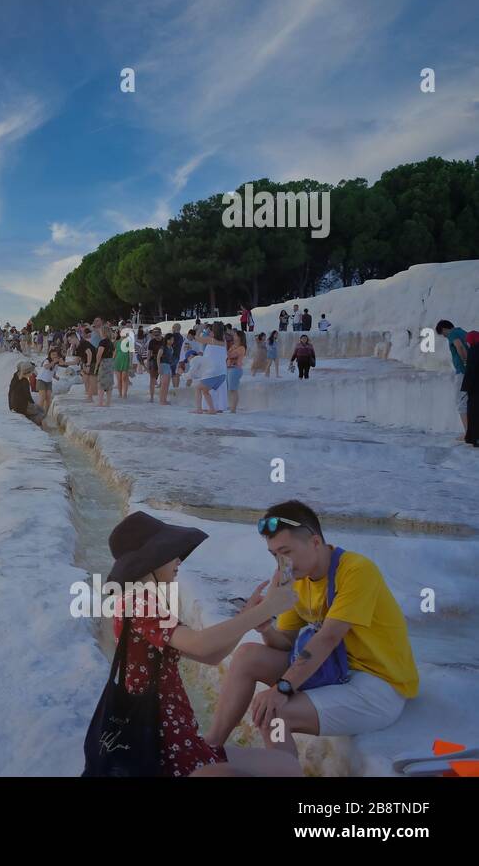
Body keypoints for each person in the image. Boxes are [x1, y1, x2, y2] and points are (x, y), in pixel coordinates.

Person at [202, 501, 419, 770]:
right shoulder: (294, 577)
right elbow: (286, 643)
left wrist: (282, 687)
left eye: (287, 552)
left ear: (315, 542)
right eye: (275, 555)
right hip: (334, 670)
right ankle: (209, 749)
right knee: (247, 655)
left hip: (377, 686)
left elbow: (327, 638)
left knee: (275, 714)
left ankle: (284, 772)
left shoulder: (356, 570)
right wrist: (264, 627)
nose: (282, 563)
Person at [85, 511, 297, 777]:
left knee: (287, 767)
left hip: (175, 739)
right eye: (171, 553)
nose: (178, 560)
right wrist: (268, 607)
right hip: (164, 749)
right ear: (150, 559)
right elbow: (201, 645)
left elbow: (210, 656)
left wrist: (248, 617)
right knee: (285, 769)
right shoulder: (139, 604)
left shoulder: (139, 602)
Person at [436, 320, 470, 440]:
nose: (445, 337)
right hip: (472, 372)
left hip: (463, 372)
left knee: (461, 401)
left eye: (443, 334)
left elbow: (459, 346)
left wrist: (465, 363)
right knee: (471, 401)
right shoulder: (463, 332)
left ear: (444, 329)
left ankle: (468, 433)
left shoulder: (453, 334)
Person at [193, 323, 228, 414]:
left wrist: (201, 329)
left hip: (212, 372)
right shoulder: (224, 342)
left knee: (198, 388)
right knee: (205, 391)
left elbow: (196, 338)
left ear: (214, 331)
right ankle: (212, 409)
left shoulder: (211, 340)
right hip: (222, 373)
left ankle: (199, 409)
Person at [8, 360, 46, 426]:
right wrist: (34, 405)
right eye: (31, 373)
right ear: (26, 372)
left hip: (14, 405)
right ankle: (36, 425)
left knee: (37, 409)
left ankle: (32, 420)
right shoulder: (25, 381)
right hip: (22, 407)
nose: (31, 374)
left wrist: (11, 406)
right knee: (41, 411)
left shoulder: (15, 377)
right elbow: (28, 396)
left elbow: (10, 392)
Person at [225, 329, 247, 413]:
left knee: (233, 390)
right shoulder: (233, 346)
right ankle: (231, 407)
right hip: (229, 369)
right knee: (230, 390)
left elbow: (230, 355)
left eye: (235, 335)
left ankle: (233, 409)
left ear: (239, 337)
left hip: (235, 369)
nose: (233, 336)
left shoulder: (241, 348)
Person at [464, 331, 479, 447]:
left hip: (475, 388)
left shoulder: (473, 351)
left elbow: (471, 371)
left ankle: (474, 438)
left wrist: (466, 387)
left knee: (474, 413)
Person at [95, 326, 115, 407]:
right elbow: (114, 352)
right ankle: (108, 402)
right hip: (110, 362)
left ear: (103, 332)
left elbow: (99, 354)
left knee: (101, 383)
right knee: (109, 383)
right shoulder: (110, 342)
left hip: (104, 362)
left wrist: (97, 364)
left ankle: (100, 402)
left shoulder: (102, 342)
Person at [112, 326, 131, 400]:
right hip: (118, 360)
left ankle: (125, 394)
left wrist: (131, 363)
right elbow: (115, 352)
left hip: (125, 359)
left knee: (124, 378)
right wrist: (112, 360)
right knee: (119, 379)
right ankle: (120, 394)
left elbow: (131, 353)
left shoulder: (129, 342)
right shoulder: (117, 342)